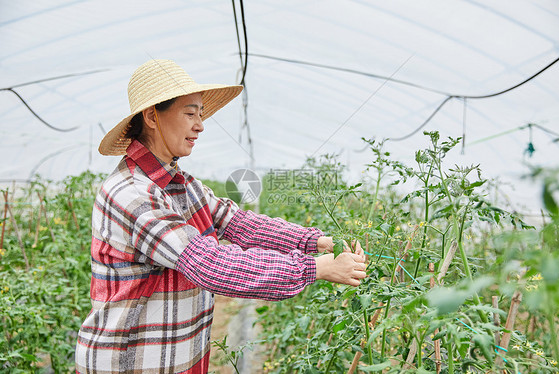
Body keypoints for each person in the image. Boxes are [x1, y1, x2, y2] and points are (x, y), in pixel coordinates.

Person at [75, 59, 367, 373]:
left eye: (200, 114)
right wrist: (317, 268)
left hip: (176, 356)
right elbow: (209, 265)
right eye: (190, 113)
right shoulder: (132, 194)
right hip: (131, 362)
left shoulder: (183, 186)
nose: (200, 125)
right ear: (151, 116)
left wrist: (317, 241)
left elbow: (240, 223)